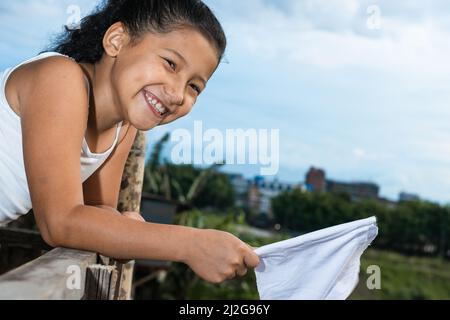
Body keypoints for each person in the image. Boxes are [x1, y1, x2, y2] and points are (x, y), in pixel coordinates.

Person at [0, 0, 259, 284]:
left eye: (194, 86)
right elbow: (61, 222)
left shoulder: (123, 128)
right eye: (170, 64)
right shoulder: (59, 78)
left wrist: (124, 228)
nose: (176, 94)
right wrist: (190, 244)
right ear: (117, 40)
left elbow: (96, 213)